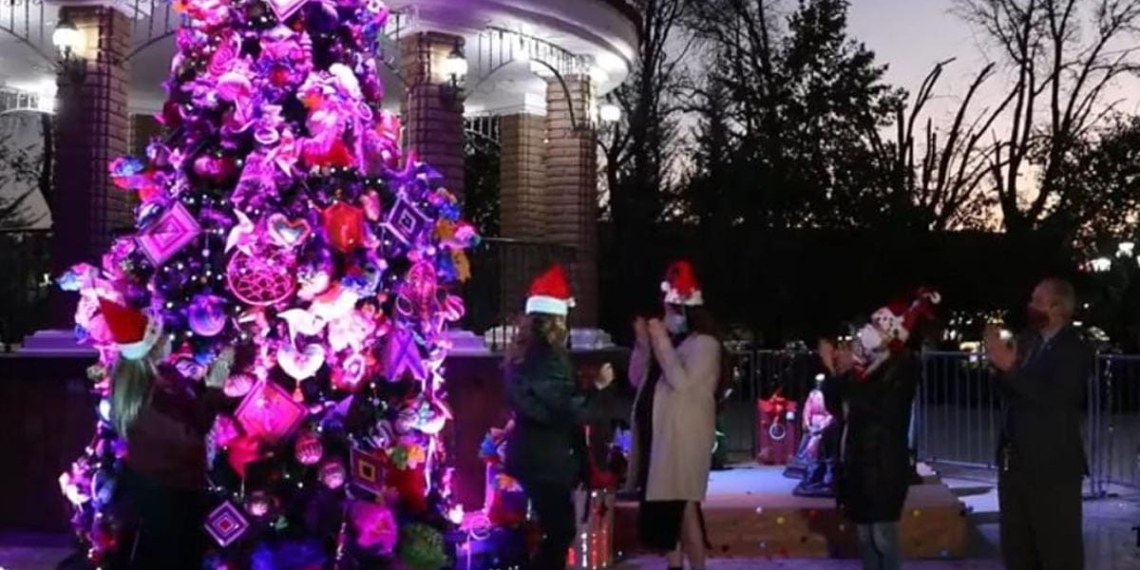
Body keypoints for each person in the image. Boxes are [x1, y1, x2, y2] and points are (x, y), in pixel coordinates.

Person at [97, 297, 229, 570]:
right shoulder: (146, 400)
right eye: (160, 338)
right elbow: (192, 433)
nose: (168, 338)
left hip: (171, 489)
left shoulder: (163, 377)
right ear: (149, 351)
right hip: (167, 496)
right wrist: (215, 388)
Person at [985, 278, 1092, 570]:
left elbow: (1056, 399)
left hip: (1053, 467)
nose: (1030, 307)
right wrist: (998, 367)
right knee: (1018, 548)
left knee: (1057, 548)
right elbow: (1013, 390)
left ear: (1058, 308)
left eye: (1038, 301)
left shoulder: (1075, 349)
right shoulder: (1028, 340)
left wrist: (1011, 369)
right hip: (1015, 463)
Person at [627, 260, 725, 570]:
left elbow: (682, 382)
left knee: (683, 508)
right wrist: (644, 346)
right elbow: (636, 379)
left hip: (681, 440)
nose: (665, 316)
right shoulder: (667, 342)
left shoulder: (705, 345)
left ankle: (694, 565)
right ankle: (674, 564)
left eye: (670, 310)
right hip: (658, 436)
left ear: (685, 311)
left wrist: (660, 342)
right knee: (668, 512)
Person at [830, 291, 938, 570]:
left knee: (882, 537)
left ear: (891, 333)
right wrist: (836, 373)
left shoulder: (903, 367)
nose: (867, 331)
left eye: (877, 326)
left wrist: (846, 375)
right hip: (859, 461)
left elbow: (878, 409)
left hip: (884, 465)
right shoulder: (861, 365)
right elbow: (836, 407)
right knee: (865, 537)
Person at [503, 265, 595, 570]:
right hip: (546, 458)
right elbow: (564, 408)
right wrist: (596, 389)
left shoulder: (524, 353)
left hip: (532, 454)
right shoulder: (549, 357)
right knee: (560, 531)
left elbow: (544, 402)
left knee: (555, 530)